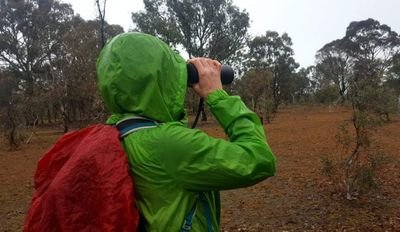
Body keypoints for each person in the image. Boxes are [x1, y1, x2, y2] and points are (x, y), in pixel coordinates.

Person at [96, 32, 276, 232]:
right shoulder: (168, 144)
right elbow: (259, 159)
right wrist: (218, 96)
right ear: (163, 80)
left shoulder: (110, 134)